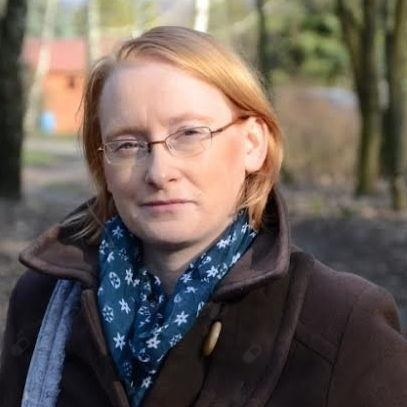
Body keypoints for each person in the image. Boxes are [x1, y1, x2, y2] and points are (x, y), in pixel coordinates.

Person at [1, 26, 407, 407]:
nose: (159, 172)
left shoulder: (343, 326)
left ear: (253, 144)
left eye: (190, 134)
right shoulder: (43, 304)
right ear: (103, 165)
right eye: (127, 144)